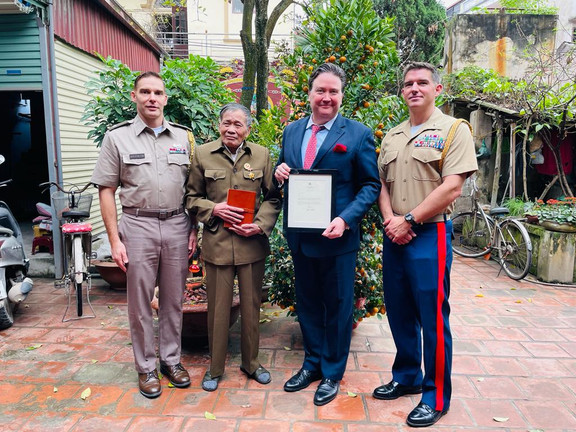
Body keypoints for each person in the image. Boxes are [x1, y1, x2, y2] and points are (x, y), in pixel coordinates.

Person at [374, 62, 477, 427]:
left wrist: (409, 220)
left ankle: (435, 396)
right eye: (408, 84)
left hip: (429, 235)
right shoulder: (393, 135)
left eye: (422, 82)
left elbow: (452, 187)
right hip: (395, 233)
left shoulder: (454, 129)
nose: (414, 88)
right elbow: (381, 184)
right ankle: (407, 377)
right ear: (402, 91)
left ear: (437, 89)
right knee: (398, 309)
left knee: (432, 316)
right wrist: (391, 220)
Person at [274, 63, 380, 406]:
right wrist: (279, 173)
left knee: (337, 306)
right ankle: (312, 364)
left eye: (333, 91)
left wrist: (346, 219)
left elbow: (370, 185)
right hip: (301, 236)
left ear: (342, 96)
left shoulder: (358, 134)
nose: (326, 97)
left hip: (338, 239)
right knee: (307, 303)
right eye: (320, 90)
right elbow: (284, 172)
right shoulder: (292, 131)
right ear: (309, 93)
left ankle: (332, 372)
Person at [91, 71, 197, 399]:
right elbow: (106, 190)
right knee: (139, 302)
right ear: (134, 96)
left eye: (158, 92)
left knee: (173, 299)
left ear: (166, 98)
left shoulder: (184, 138)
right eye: (145, 92)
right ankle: (146, 366)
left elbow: (194, 188)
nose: (152, 98)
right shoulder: (117, 138)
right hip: (138, 226)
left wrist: (194, 228)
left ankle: (171, 360)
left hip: (178, 224)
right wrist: (114, 240)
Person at [185, 103, 281, 392]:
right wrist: (215, 209)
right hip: (218, 244)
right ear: (219, 125)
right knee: (218, 310)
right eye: (227, 123)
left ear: (247, 130)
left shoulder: (261, 155)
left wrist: (260, 225)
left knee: (251, 307)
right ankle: (215, 368)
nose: (231, 129)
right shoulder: (203, 154)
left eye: (238, 124)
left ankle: (251, 363)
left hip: (251, 244)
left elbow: (273, 197)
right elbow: (191, 198)